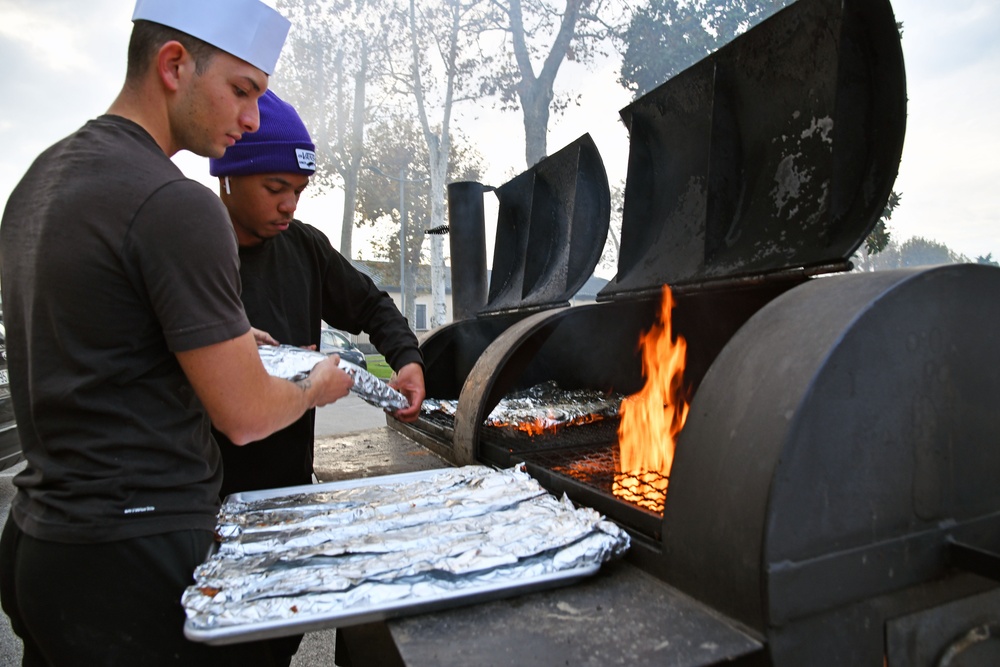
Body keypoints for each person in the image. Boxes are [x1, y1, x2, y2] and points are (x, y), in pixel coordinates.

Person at [0, 1, 355, 664]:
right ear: (174, 65)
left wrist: (215, 335)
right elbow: (246, 415)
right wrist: (314, 383)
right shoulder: (176, 202)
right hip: (138, 561)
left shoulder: (40, 180)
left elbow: (96, 338)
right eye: (242, 90)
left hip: (42, 545)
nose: (250, 119)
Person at [208, 90, 426, 666]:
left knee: (276, 640)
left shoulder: (303, 247)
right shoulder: (193, 250)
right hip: (209, 501)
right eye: (275, 189)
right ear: (228, 176)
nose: (289, 207)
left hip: (285, 492)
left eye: (298, 193)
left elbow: (371, 305)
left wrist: (406, 357)